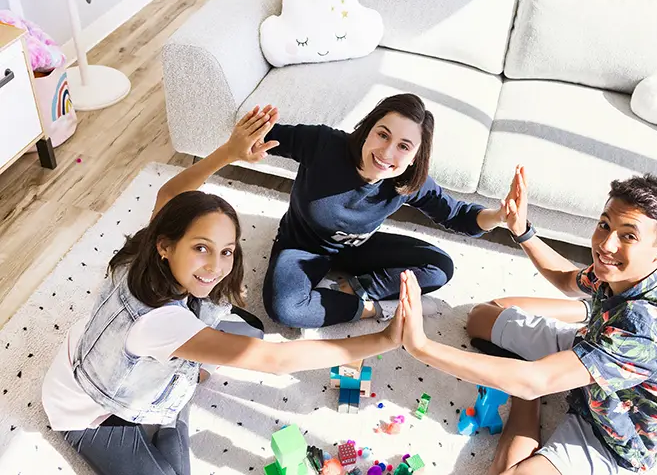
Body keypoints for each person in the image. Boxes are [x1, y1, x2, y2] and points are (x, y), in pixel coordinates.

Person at [41, 108, 405, 475]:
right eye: (201, 248)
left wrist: (230, 153)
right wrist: (384, 339)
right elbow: (276, 361)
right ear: (167, 245)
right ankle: (172, 399)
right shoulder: (161, 324)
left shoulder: (146, 245)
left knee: (249, 331)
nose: (216, 267)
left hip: (111, 348)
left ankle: (175, 384)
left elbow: (170, 191)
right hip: (88, 409)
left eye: (226, 251)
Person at [397, 167, 657, 475]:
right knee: (481, 318)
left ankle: (529, 390)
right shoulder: (623, 271)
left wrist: (421, 347)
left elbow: (534, 381)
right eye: (604, 224)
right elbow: (567, 279)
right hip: (590, 345)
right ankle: (546, 361)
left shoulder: (647, 327)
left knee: (517, 430)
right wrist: (522, 231)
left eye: (628, 235)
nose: (606, 245)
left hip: (614, 427)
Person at [255, 93, 507, 328]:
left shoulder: (407, 182)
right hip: (301, 247)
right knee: (286, 309)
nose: (387, 153)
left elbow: (457, 215)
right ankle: (377, 309)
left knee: (440, 267)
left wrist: (499, 216)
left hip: (358, 248)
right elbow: (262, 136)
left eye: (404, 146)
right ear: (368, 129)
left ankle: (361, 287)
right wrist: (251, 142)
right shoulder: (323, 145)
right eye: (383, 135)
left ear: (416, 157)